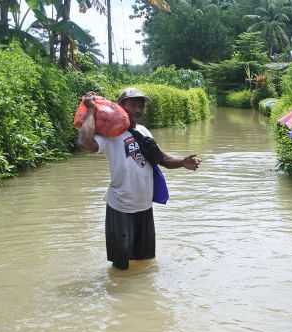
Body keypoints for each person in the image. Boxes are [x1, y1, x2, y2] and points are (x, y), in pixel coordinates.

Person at [77, 88, 201, 270]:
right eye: (133, 104)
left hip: (144, 207)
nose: (138, 109)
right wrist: (90, 111)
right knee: (120, 267)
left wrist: (183, 162)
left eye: (141, 105)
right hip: (121, 207)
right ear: (119, 107)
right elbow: (84, 143)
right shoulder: (110, 134)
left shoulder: (143, 131)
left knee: (145, 263)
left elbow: (162, 159)